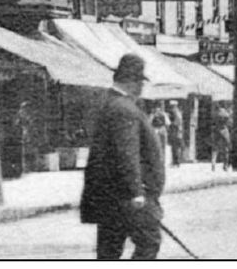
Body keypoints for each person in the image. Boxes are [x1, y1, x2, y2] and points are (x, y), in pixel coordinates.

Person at [80, 54, 166, 260]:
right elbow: (126, 153)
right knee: (149, 242)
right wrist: (136, 191)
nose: (141, 88)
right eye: (140, 82)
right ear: (134, 82)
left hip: (110, 196)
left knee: (109, 250)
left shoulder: (111, 103)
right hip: (127, 197)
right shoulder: (124, 109)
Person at [164, 102, 186, 167]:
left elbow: (177, 123)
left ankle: (176, 162)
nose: (172, 109)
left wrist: (170, 124)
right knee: (175, 147)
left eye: (172, 107)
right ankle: (176, 162)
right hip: (177, 132)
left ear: (175, 106)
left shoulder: (177, 113)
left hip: (176, 132)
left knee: (175, 147)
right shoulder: (177, 113)